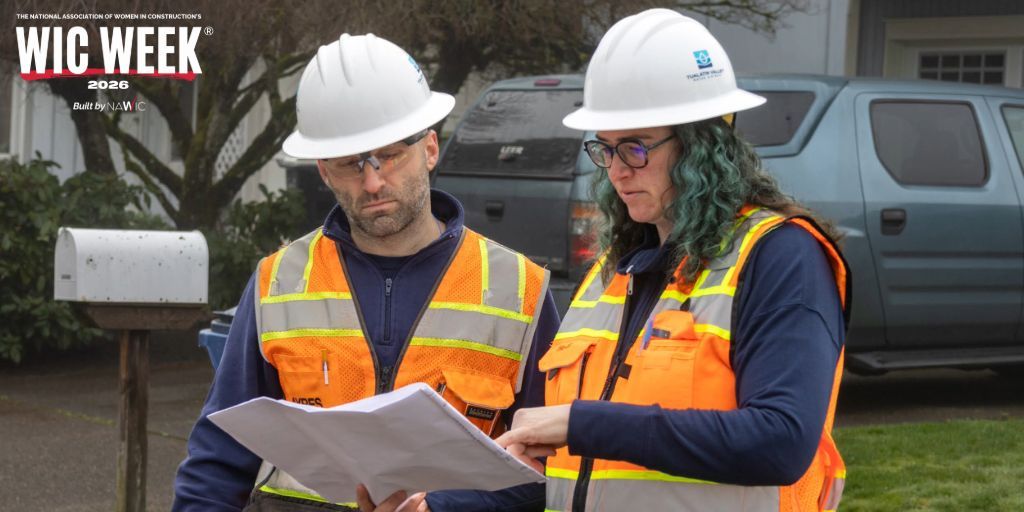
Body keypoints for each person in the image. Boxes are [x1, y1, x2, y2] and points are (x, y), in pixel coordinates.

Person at [173, 33, 558, 512]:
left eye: (390, 155)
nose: (373, 181)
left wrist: (447, 506)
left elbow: (549, 466)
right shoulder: (279, 281)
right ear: (323, 172)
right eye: (351, 164)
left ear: (431, 148)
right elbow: (218, 455)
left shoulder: (519, 290)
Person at [495, 9, 850, 512]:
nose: (617, 171)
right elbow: (575, 473)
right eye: (606, 149)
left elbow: (781, 440)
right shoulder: (614, 269)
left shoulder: (781, 256)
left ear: (703, 146)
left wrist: (582, 424)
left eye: (635, 148)